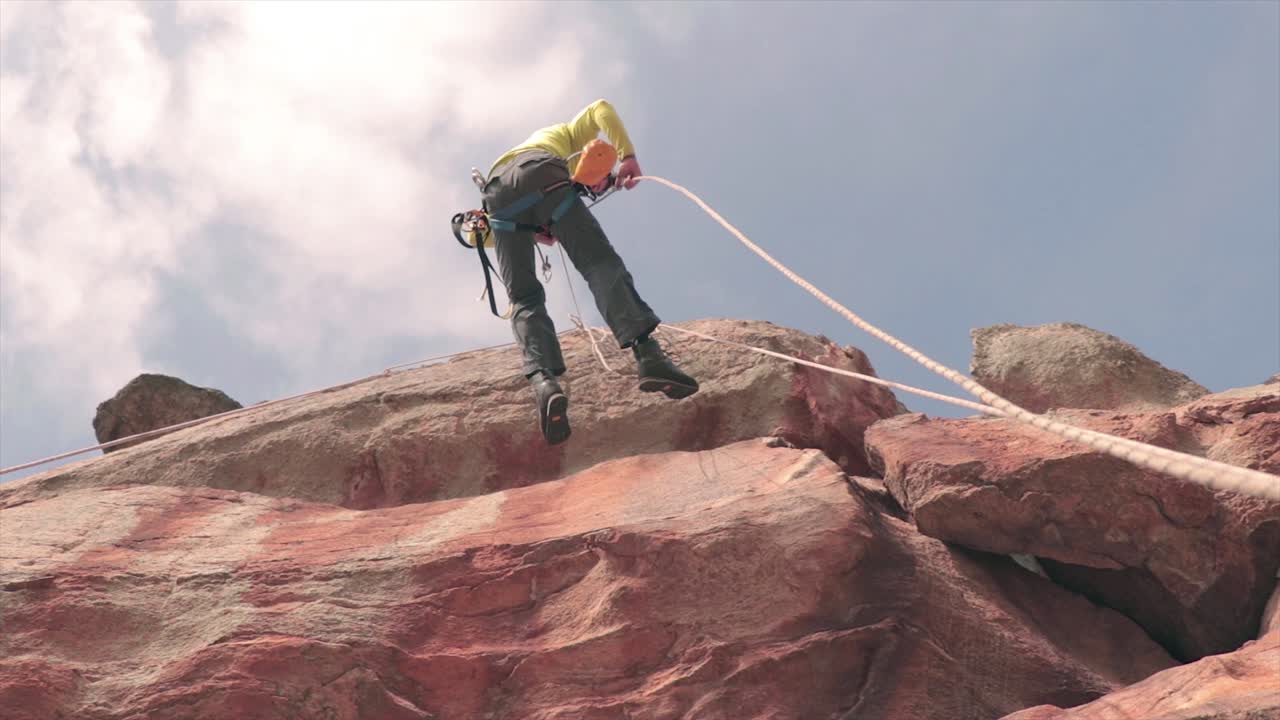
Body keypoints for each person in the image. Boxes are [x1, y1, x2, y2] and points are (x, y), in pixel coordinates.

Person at [481, 99, 698, 446]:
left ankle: (544, 383)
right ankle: (649, 355)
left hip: (496, 196)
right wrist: (627, 155)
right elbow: (601, 108)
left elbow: (490, 236)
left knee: (523, 298)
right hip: (541, 170)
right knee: (599, 264)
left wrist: (534, 229)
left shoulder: (509, 161)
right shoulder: (565, 135)